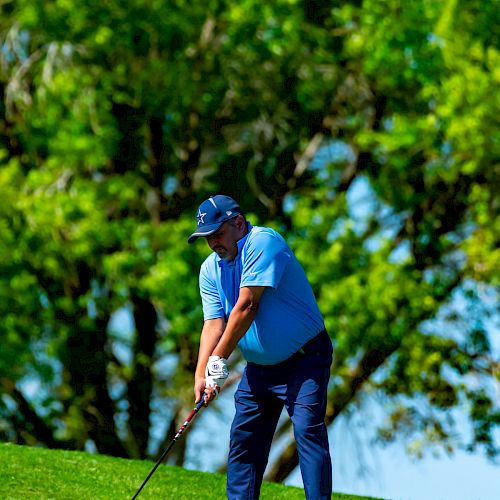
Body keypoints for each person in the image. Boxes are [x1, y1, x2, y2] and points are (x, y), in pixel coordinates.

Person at [188, 194, 333, 500]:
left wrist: (218, 360)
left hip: (305, 360)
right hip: (260, 370)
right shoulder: (210, 269)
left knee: (307, 430)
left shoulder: (263, 242)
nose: (213, 243)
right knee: (244, 441)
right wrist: (202, 373)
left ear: (238, 223)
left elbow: (247, 305)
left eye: (217, 234)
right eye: (207, 238)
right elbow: (213, 324)